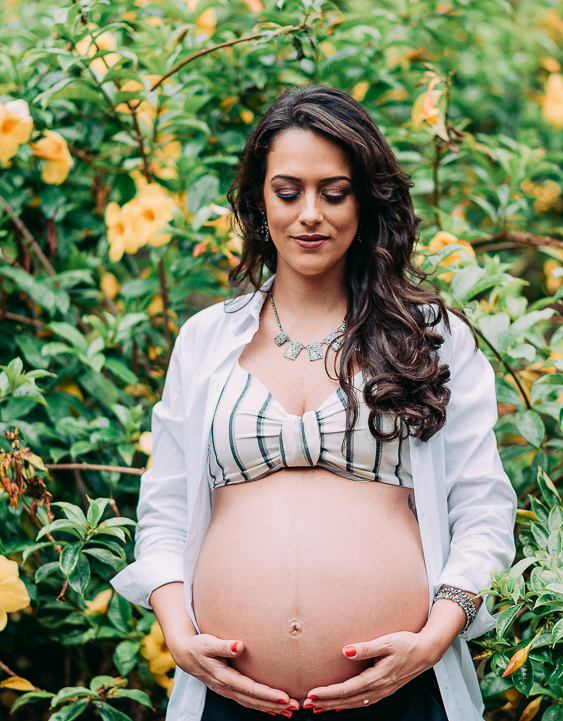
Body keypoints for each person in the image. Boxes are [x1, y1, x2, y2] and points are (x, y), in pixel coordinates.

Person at [111, 84, 517, 721]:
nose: (310, 215)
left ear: (366, 201)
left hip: (402, 693)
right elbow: (163, 510)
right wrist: (180, 637)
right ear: (258, 200)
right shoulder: (206, 341)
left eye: (334, 192)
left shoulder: (431, 338)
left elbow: (483, 507)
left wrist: (433, 639)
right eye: (288, 191)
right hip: (231, 698)